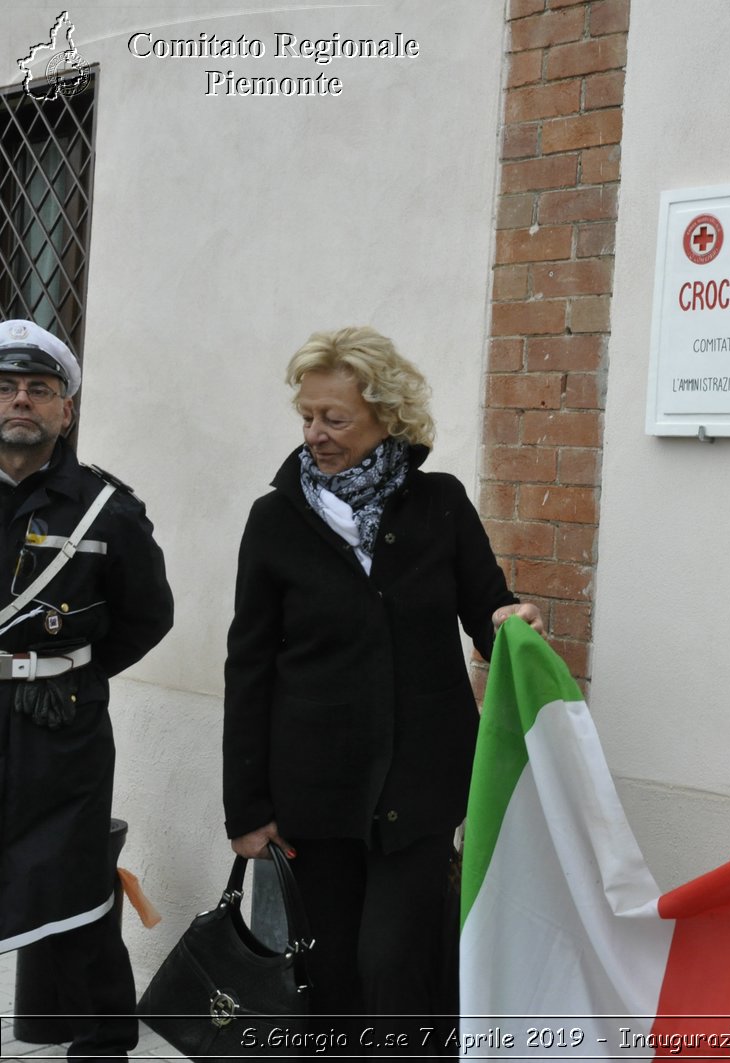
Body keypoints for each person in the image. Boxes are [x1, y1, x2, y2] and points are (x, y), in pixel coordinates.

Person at [221, 326, 542, 1053]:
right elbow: (249, 667)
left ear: (387, 416)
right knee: (329, 973)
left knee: (394, 965)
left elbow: (487, 610)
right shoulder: (274, 521)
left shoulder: (441, 505)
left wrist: (514, 621)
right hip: (312, 793)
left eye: (334, 417)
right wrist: (246, 807)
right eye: (307, 415)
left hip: (421, 784)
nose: (316, 433)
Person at [0, 319, 174, 1061]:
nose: (21, 402)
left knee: (72, 883)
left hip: (60, 724)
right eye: (6, 388)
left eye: (40, 389)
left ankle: (105, 1039)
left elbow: (149, 614)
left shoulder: (107, 510)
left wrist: (74, 671)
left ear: (66, 409)